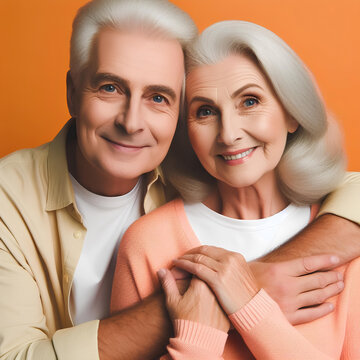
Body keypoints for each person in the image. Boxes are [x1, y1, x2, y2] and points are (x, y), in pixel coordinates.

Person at [0, 0, 358, 358]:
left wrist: (248, 292)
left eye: (158, 97)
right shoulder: (14, 199)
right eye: (110, 88)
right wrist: (228, 292)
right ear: (72, 93)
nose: (132, 122)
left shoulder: (201, 167)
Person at [110, 20, 360, 359]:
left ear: (292, 114)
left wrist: (251, 307)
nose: (228, 133)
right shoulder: (148, 244)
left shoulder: (345, 239)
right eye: (206, 111)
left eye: (250, 101)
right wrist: (199, 336)